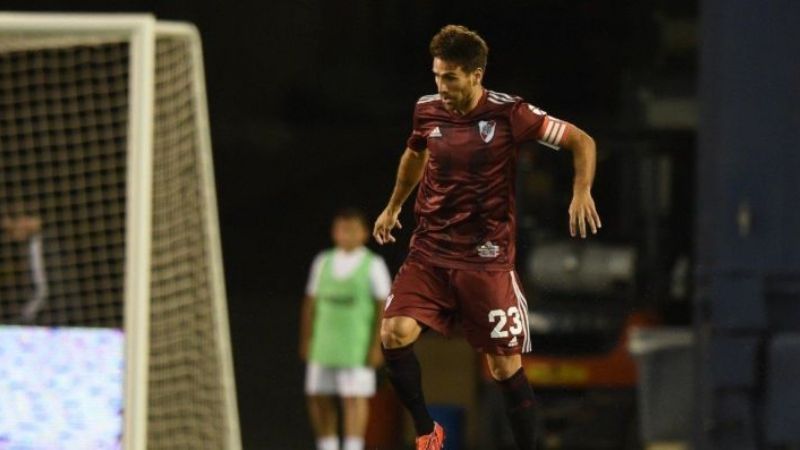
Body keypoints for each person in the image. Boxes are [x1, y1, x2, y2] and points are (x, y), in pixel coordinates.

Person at [372, 25, 602, 450]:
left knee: (503, 367)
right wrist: (394, 206)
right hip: (430, 252)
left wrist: (581, 191)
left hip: (486, 258)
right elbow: (414, 154)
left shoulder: (510, 114)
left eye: (451, 78)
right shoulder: (426, 110)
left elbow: (581, 141)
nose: (441, 87)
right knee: (394, 333)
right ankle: (427, 432)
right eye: (437, 76)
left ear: (476, 75)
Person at [299, 208, 393, 450]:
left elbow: (384, 307)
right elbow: (310, 303)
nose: (346, 234)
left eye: (352, 229)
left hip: (355, 345)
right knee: (318, 395)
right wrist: (306, 339)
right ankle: (327, 444)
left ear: (363, 233)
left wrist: (378, 346)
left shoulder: (373, 265)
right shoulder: (323, 262)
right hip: (324, 343)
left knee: (354, 398)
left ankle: (353, 445)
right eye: (341, 228)